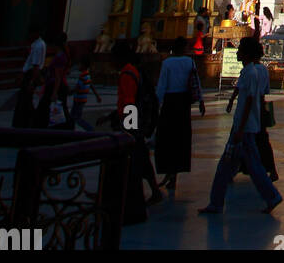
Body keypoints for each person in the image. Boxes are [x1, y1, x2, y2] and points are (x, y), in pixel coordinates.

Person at [199, 37, 282, 215]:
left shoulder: (250, 72)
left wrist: (240, 128)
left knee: (238, 167)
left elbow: (250, 99)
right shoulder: (249, 71)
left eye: (240, 50)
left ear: (247, 54)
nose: (237, 53)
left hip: (243, 129)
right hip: (245, 127)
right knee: (244, 166)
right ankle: (270, 196)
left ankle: (217, 203)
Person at [110, 41, 162, 212]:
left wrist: (128, 129)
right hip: (136, 122)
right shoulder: (133, 71)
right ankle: (153, 190)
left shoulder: (127, 73)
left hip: (132, 124)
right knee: (142, 159)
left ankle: (120, 193)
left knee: (132, 159)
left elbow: (130, 102)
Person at [154, 35, 206, 194]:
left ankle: (169, 172)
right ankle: (174, 175)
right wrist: (201, 101)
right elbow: (196, 81)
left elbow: (162, 84)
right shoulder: (189, 62)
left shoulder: (167, 63)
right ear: (184, 48)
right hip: (183, 103)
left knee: (167, 138)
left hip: (170, 102)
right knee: (180, 139)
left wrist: (157, 103)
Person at [34, 32, 70, 127]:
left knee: (50, 110)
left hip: (55, 86)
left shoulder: (60, 56)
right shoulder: (60, 55)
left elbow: (58, 76)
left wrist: (54, 92)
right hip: (53, 84)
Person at [13, 26, 46, 128]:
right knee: (27, 101)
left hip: (31, 75)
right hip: (31, 73)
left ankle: (25, 123)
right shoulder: (39, 44)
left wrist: (32, 81)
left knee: (25, 101)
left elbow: (35, 65)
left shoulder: (37, 46)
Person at [69, 53, 102, 131]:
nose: (79, 66)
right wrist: (97, 96)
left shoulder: (83, 76)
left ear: (83, 65)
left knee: (77, 118)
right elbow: (91, 85)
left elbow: (78, 87)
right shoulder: (87, 75)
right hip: (81, 99)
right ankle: (71, 130)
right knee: (72, 116)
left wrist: (70, 92)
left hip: (78, 99)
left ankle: (90, 129)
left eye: (80, 64)